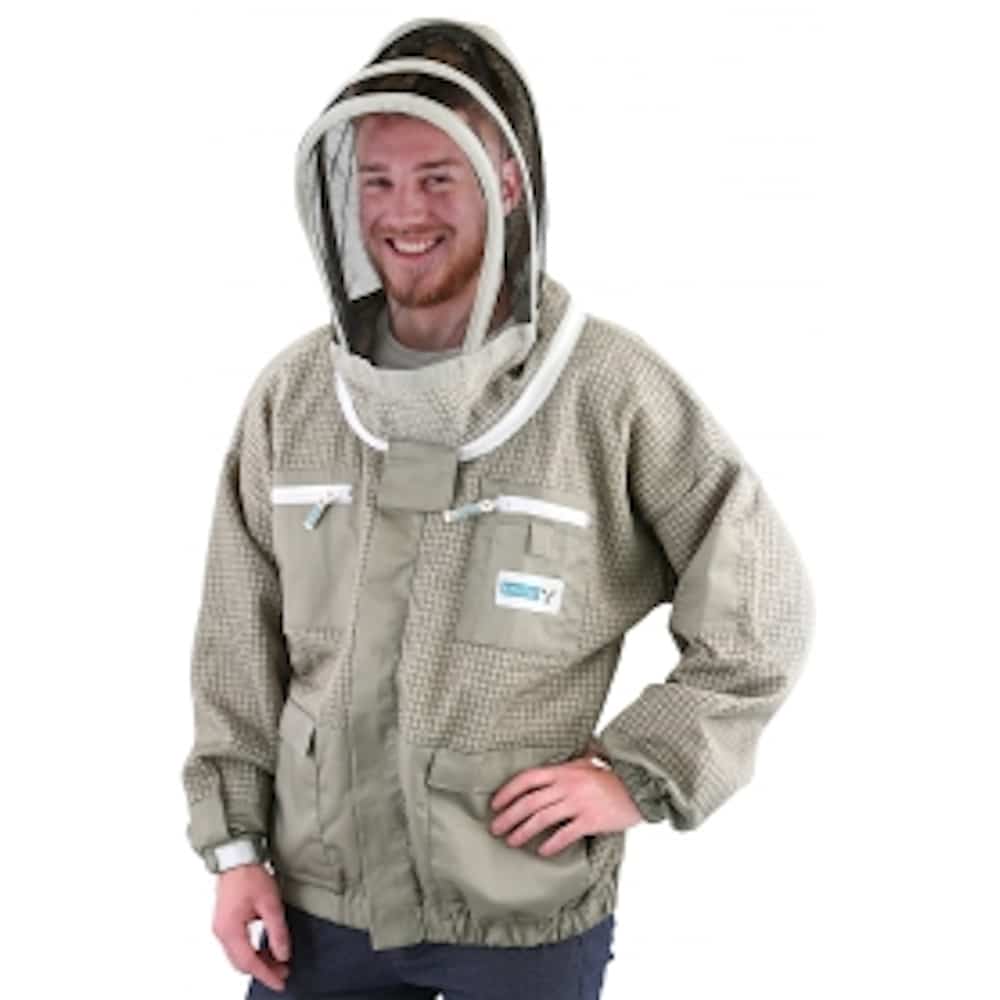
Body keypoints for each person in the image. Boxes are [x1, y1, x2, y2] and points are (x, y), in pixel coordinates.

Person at [180, 17, 816, 1000]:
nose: (403, 211)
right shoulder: (296, 397)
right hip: (317, 900)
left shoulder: (609, 390)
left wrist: (642, 771)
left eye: (439, 176)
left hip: (518, 913)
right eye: (378, 179)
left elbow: (759, 608)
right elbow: (236, 644)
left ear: (507, 182)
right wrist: (234, 851)